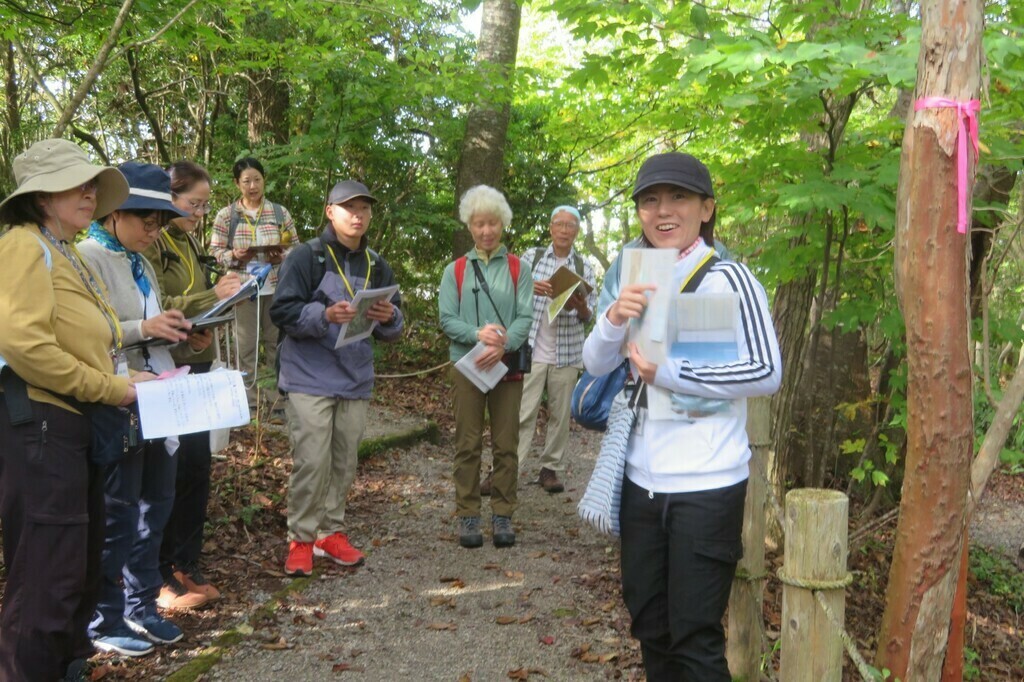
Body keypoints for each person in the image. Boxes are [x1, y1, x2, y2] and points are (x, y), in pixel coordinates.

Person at [582, 152, 782, 680]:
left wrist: (668, 372)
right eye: (650, 200)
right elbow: (595, 364)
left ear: (706, 208)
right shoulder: (635, 276)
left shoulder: (730, 278)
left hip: (707, 486)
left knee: (694, 636)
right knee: (650, 626)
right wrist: (612, 318)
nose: (663, 210)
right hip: (640, 483)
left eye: (679, 198)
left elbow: (766, 370)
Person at [0, 139, 144, 681]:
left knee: (76, 567)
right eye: (75, 183)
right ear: (39, 197)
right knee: (46, 576)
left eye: (92, 185)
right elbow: (25, 346)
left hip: (69, 424)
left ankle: (64, 667)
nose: (89, 192)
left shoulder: (62, 249)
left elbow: (83, 340)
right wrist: (111, 389)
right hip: (40, 424)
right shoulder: (21, 245)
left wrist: (126, 380)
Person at [79, 163, 195, 657]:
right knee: (119, 510)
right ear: (114, 213)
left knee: (157, 503)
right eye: (145, 220)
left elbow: (148, 319)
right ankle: (105, 617)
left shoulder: (141, 263)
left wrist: (180, 330)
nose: (153, 231)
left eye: (160, 223)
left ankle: (141, 605)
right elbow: (88, 332)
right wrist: (145, 330)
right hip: (118, 397)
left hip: (160, 392)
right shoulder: (87, 258)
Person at [270, 180, 404, 576]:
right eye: (349, 208)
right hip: (308, 376)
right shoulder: (306, 257)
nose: (357, 215)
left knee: (344, 462)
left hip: (355, 377)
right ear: (330, 211)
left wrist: (389, 317)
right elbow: (282, 311)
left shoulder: (376, 264)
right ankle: (301, 539)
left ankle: (331, 533)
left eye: (364, 208)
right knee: (312, 460)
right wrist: (323, 315)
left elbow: (394, 326)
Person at [145, 160, 242, 610]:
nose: (201, 213)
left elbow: (191, 306)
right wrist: (212, 297)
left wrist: (204, 325)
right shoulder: (152, 242)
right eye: (194, 203)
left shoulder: (185, 239)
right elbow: (160, 304)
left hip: (196, 364)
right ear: (169, 197)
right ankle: (161, 572)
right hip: (164, 372)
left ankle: (187, 562)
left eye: (205, 205)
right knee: (170, 470)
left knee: (198, 467)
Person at [439, 185, 533, 549]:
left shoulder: (518, 268)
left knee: (506, 443)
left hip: (506, 367)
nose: (486, 231)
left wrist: (504, 342)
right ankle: (468, 516)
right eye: (479, 224)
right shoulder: (456, 270)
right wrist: (479, 336)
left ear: (503, 224)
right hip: (466, 366)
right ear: (469, 226)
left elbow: (526, 315)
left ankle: (503, 515)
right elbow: (447, 319)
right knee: (467, 443)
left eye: (492, 223)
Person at [516, 205, 597, 493]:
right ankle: (507, 470)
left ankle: (550, 470)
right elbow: (509, 292)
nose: (564, 230)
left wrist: (581, 306)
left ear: (576, 232)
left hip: (567, 352)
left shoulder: (584, 267)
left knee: (560, 415)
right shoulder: (531, 258)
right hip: (531, 350)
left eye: (570, 226)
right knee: (522, 413)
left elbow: (590, 317)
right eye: (559, 224)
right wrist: (527, 288)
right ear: (550, 228)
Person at [209, 157, 297, 414]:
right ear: (237, 184)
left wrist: (282, 257)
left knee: (274, 345)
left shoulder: (279, 213)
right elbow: (215, 250)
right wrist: (234, 256)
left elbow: (296, 247)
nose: (252, 185)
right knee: (246, 346)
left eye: (257, 179)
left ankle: (276, 401)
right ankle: (249, 401)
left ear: (264, 180)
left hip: (275, 287)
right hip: (243, 289)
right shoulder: (226, 216)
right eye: (246, 181)